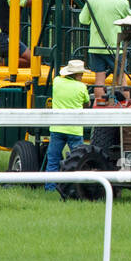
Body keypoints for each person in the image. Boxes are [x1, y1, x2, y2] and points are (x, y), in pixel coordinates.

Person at [79, 0, 131, 100]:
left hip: (95, 46)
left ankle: (100, 107)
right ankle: (126, 109)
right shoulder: (122, 1)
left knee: (99, 80)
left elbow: (83, 20)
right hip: (115, 47)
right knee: (121, 80)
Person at [44, 59, 92, 191]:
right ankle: (76, 188)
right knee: (79, 160)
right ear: (77, 75)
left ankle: (50, 188)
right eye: (81, 74)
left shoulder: (57, 82)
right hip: (74, 129)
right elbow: (87, 104)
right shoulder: (82, 87)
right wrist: (83, 87)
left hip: (57, 127)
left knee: (53, 159)